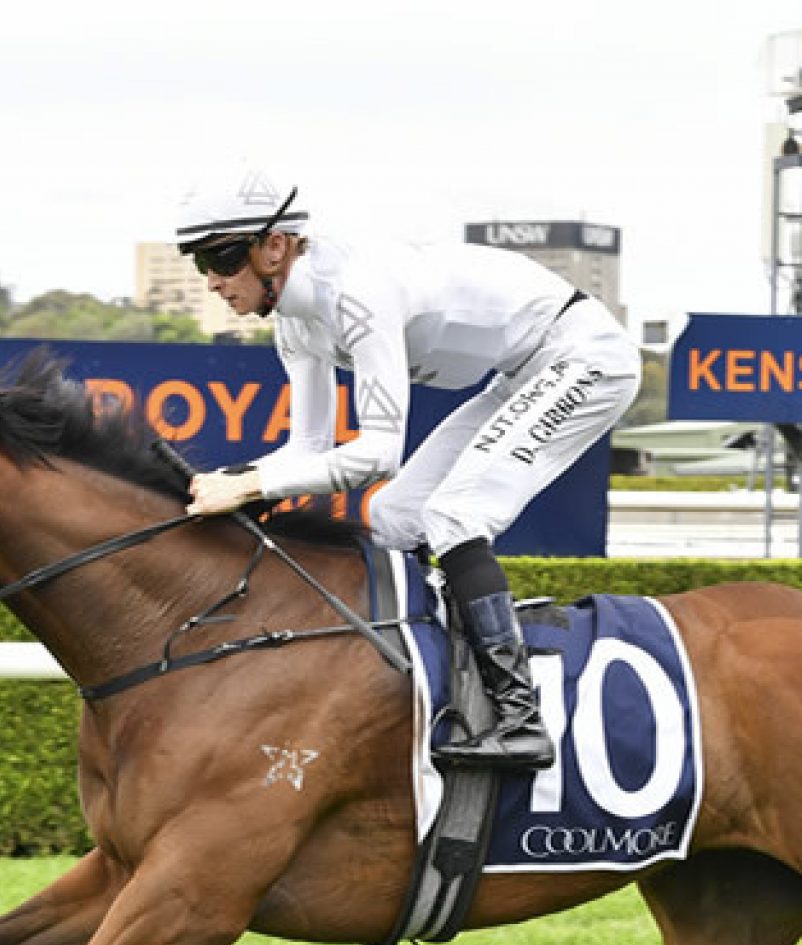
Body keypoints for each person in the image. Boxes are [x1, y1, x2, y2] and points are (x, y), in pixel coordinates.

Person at [175, 170, 642, 769]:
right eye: (200, 263)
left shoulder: (355, 294)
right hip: (521, 373)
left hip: (584, 356)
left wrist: (250, 485)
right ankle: (431, 682)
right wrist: (219, 484)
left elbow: (378, 454)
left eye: (221, 258)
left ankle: (519, 718)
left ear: (275, 247)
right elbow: (307, 448)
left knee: (455, 515)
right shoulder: (294, 323)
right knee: (396, 516)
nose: (213, 281)